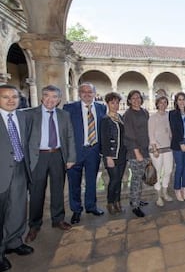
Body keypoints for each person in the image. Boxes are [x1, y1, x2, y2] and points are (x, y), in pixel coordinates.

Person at [25, 85, 76, 243]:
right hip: (38, 157)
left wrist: (71, 157)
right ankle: (34, 225)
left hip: (57, 155)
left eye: (54, 97)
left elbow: (69, 137)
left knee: (57, 190)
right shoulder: (29, 114)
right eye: (47, 96)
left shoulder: (64, 115)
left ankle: (58, 219)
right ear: (42, 97)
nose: (50, 100)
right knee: (36, 192)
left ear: (59, 99)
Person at [0, 84, 33, 272]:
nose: (11, 100)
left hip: (20, 168)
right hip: (2, 172)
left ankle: (14, 241)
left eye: (14, 96)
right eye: (5, 97)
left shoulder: (22, 116)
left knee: (18, 208)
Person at [63, 82, 107, 224]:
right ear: (79, 93)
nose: (87, 94)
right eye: (84, 91)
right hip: (75, 152)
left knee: (91, 181)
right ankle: (76, 210)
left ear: (95, 94)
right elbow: (65, 133)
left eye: (90, 92)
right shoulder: (69, 108)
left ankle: (91, 206)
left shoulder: (101, 108)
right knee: (74, 183)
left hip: (93, 151)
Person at [100, 92, 127, 215]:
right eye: (112, 103)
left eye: (117, 102)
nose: (115, 105)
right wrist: (108, 157)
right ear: (108, 103)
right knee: (114, 180)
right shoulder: (105, 119)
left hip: (121, 154)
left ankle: (118, 202)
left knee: (119, 179)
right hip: (111, 155)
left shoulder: (120, 117)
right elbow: (104, 140)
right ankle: (110, 202)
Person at [123, 90, 149, 217]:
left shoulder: (144, 112)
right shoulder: (128, 114)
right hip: (135, 152)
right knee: (136, 179)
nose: (136, 100)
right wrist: (136, 152)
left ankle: (137, 199)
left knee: (140, 178)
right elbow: (129, 135)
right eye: (133, 98)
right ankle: (134, 205)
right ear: (129, 100)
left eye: (138, 97)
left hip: (145, 150)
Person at [169, 92, 185, 201]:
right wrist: (181, 144)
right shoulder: (172, 113)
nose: (181, 102)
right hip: (178, 144)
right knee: (179, 167)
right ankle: (177, 189)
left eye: (183, 99)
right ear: (176, 101)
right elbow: (174, 130)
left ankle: (184, 189)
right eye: (179, 99)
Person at [148, 96, 174, 206]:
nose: (163, 104)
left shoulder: (169, 116)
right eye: (160, 102)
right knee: (157, 173)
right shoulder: (153, 117)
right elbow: (151, 134)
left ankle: (165, 192)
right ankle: (158, 196)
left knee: (168, 170)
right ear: (157, 104)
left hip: (168, 147)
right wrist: (154, 149)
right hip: (156, 149)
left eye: (165, 102)